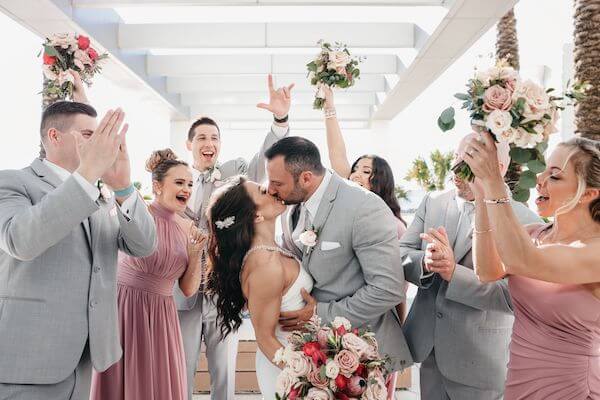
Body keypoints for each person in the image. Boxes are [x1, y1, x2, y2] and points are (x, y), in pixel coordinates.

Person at [0, 101, 157, 400]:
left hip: (84, 360)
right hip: (26, 360)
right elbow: (20, 240)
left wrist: (123, 188)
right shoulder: (13, 182)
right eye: (88, 134)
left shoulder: (101, 196)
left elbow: (143, 246)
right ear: (54, 137)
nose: (99, 143)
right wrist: (85, 176)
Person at [175, 74, 294, 400]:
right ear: (190, 145)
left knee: (223, 373)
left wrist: (279, 120)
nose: (208, 143)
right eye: (201, 137)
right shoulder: (177, 179)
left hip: (221, 288)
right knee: (180, 370)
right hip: (182, 292)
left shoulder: (235, 171)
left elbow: (264, 161)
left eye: (214, 137)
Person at [400, 132, 540, 400]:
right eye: (456, 157)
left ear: (497, 169)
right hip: (428, 351)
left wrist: (455, 273)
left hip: (479, 361)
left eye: (468, 162)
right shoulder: (433, 202)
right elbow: (401, 254)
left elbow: (513, 297)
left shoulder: (523, 219)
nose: (455, 168)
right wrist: (426, 264)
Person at [460, 133, 600, 399]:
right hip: (518, 384)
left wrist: (495, 183)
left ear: (590, 194)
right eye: (544, 170)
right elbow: (487, 270)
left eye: (555, 176)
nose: (540, 180)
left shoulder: (596, 250)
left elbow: (520, 260)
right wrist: (481, 196)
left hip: (572, 390)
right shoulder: (534, 234)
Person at [264, 136, 413, 374]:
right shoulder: (288, 207)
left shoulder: (364, 207)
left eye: (277, 183)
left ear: (305, 178)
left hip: (362, 355)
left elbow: (388, 288)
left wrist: (319, 314)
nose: (270, 190)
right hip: (312, 354)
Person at [90, 149, 207, 400]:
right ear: (157, 186)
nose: (186, 189)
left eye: (190, 183)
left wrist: (196, 254)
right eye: (179, 182)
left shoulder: (189, 228)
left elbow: (188, 290)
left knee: (159, 381)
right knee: (123, 377)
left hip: (163, 315)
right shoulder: (137, 213)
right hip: (124, 306)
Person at [322, 86, 408, 397]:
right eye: (356, 169)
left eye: (366, 171)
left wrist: (399, 332)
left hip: (377, 330)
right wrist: (329, 106)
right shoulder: (347, 209)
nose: (357, 173)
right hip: (342, 325)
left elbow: (396, 289)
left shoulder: (394, 226)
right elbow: (337, 157)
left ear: (380, 180)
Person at [206, 176, 313, 399]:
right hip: (286, 369)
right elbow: (264, 338)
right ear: (255, 215)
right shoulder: (264, 265)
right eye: (264, 192)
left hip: (300, 356)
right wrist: (310, 378)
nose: (273, 190)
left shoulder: (272, 250)